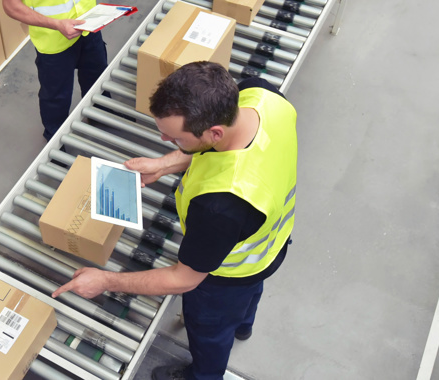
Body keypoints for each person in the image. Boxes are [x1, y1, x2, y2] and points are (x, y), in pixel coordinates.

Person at [51, 61, 297, 380]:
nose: (168, 142)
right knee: (249, 297)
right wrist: (164, 165)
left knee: (210, 332)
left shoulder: (220, 205)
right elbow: (214, 148)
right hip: (269, 243)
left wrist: (105, 281)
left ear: (214, 132)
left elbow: (184, 280)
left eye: (176, 139)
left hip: (228, 274)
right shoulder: (261, 95)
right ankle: (244, 325)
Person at [2, 0, 110, 141]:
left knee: (97, 75)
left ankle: (99, 114)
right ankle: (55, 140)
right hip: (54, 39)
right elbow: (11, 6)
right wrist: (56, 24)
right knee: (56, 97)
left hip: (89, 24)